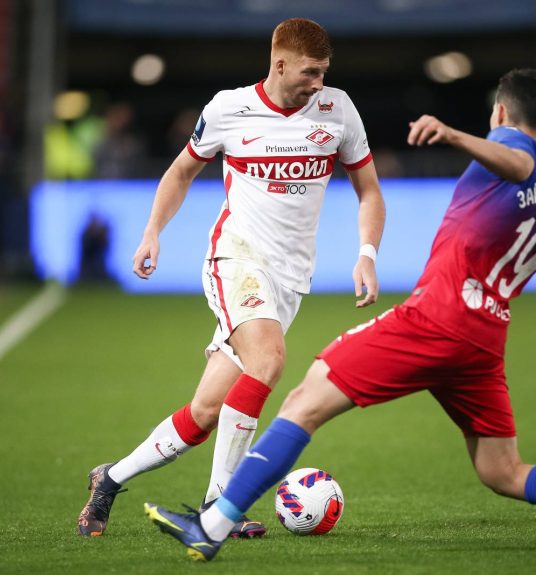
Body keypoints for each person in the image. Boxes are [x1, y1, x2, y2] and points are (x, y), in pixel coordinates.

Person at [144, 68, 536, 561]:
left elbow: (520, 164)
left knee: (303, 402)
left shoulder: (512, 148)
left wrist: (455, 136)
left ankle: (212, 525)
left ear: (500, 114)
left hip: (437, 318)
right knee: (502, 470)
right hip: (485, 338)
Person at [77, 18, 384, 538]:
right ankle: (219, 506)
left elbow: (369, 190)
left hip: (289, 279)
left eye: (324, 72)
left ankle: (110, 478)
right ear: (279, 64)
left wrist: (367, 253)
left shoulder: (338, 109)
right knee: (269, 362)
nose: (319, 83)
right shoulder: (228, 109)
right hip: (236, 258)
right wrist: (152, 232)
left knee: (206, 411)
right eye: (310, 73)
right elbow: (181, 171)